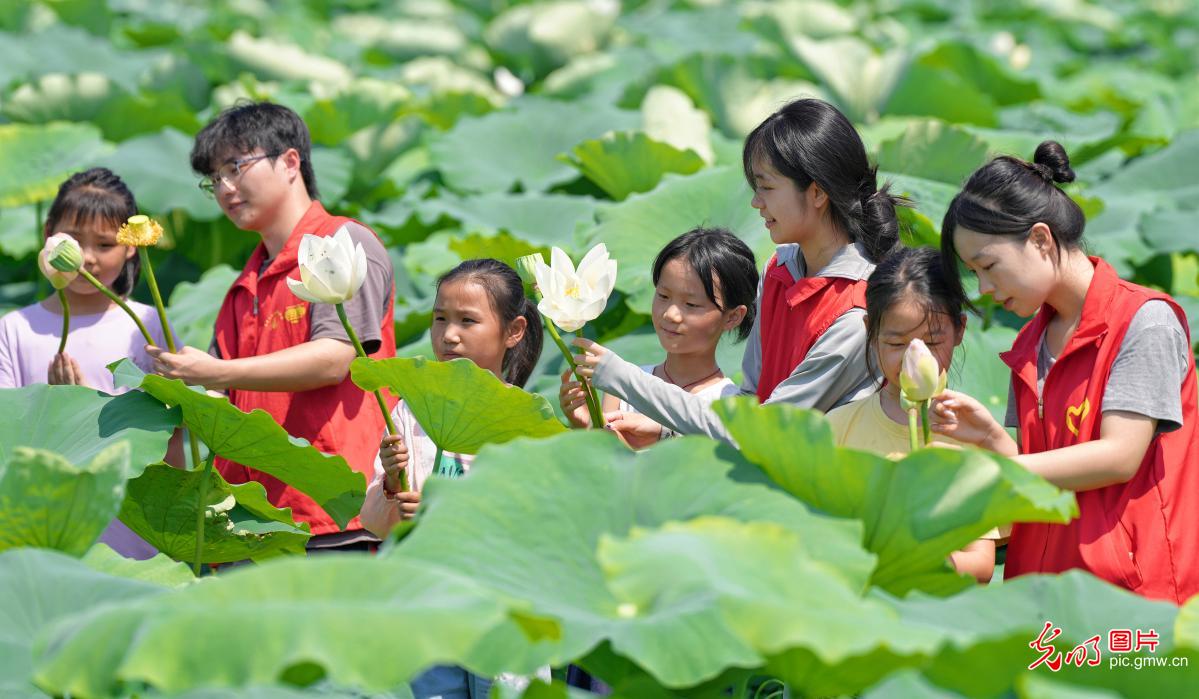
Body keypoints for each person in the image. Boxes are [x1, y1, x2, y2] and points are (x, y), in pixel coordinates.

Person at [931, 141, 1197, 603]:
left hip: (1131, 597)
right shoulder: (1028, 342)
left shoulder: (1144, 320)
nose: (987, 289)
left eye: (989, 266)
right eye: (975, 273)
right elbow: (1048, 464)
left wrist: (991, 471)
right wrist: (993, 438)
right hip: (1042, 595)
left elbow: (1119, 456)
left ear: (1040, 239)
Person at [571, 98, 905, 444]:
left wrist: (622, 377)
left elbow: (763, 430)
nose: (756, 202)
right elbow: (751, 401)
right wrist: (665, 430)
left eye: (767, 187)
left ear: (817, 192)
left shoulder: (858, 311)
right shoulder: (780, 269)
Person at [150, 102, 397, 551]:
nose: (225, 188)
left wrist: (215, 372)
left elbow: (334, 360)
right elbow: (215, 399)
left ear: (289, 162)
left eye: (235, 167)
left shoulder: (343, 244)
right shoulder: (240, 288)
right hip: (249, 521)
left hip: (335, 515)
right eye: (214, 179)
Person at [361, 258, 543, 699]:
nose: (449, 335)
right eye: (439, 318)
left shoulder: (524, 420)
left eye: (467, 321)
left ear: (514, 331)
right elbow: (373, 521)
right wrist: (391, 483)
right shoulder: (409, 409)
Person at [0, 167, 173, 558]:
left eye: (104, 244)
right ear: (48, 235)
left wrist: (83, 405)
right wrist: (58, 409)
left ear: (131, 246)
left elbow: (173, 436)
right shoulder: (13, 330)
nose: (86, 259)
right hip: (41, 518)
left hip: (134, 520)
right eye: (73, 241)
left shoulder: (148, 324)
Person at [826, 247, 998, 583]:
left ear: (960, 330)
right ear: (870, 330)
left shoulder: (972, 435)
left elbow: (981, 566)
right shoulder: (835, 430)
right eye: (896, 343)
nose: (913, 357)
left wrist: (912, 559)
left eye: (931, 342)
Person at [559, 228, 756, 447]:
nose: (670, 314)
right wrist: (585, 426)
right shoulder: (620, 385)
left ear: (733, 317)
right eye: (663, 295)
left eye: (691, 304)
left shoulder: (728, 406)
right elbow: (607, 468)